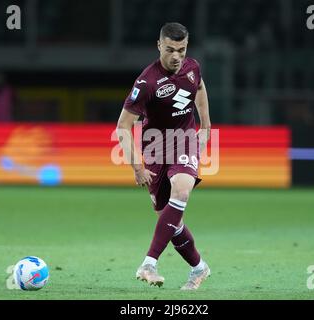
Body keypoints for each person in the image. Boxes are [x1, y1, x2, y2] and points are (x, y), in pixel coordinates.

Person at [116, 22, 212, 290]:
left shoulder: (192, 67)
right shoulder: (146, 82)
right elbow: (122, 127)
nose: (176, 56)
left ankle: (149, 263)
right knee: (171, 220)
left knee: (181, 193)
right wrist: (137, 167)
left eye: (181, 50)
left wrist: (205, 125)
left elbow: (200, 88)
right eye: (170, 49)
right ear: (159, 46)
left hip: (184, 141)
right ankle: (199, 268)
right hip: (155, 148)